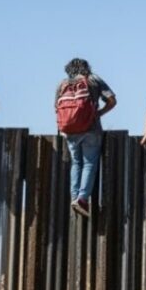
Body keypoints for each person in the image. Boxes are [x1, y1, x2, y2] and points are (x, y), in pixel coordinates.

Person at [56, 58, 116, 217]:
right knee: (89, 163)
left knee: (76, 163)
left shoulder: (63, 84)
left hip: (70, 132)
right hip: (91, 128)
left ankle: (74, 197)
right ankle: (82, 199)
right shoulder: (93, 79)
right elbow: (112, 100)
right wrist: (99, 113)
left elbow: (56, 107)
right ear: (86, 68)